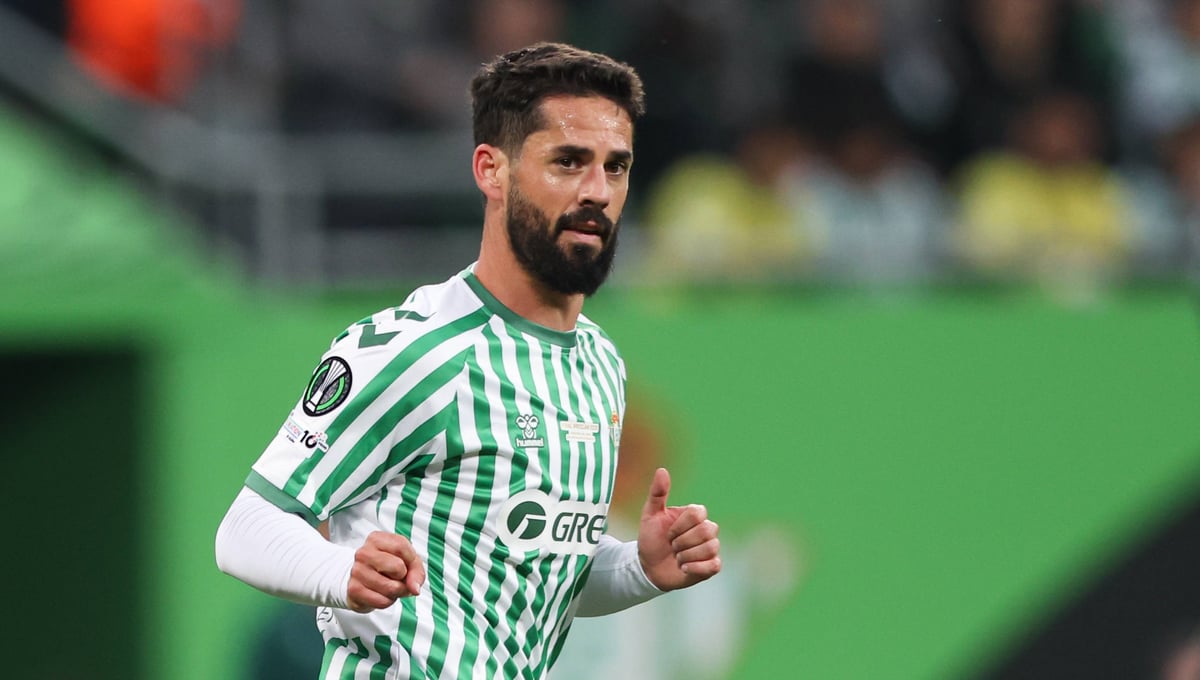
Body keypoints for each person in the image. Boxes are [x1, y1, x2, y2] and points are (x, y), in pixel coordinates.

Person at [214, 42, 722, 680]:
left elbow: (531, 576)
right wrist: (341, 572)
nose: (597, 191)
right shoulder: (416, 350)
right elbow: (245, 526)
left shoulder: (600, 365)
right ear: (491, 170)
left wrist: (639, 568)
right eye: (568, 162)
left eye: (615, 167)